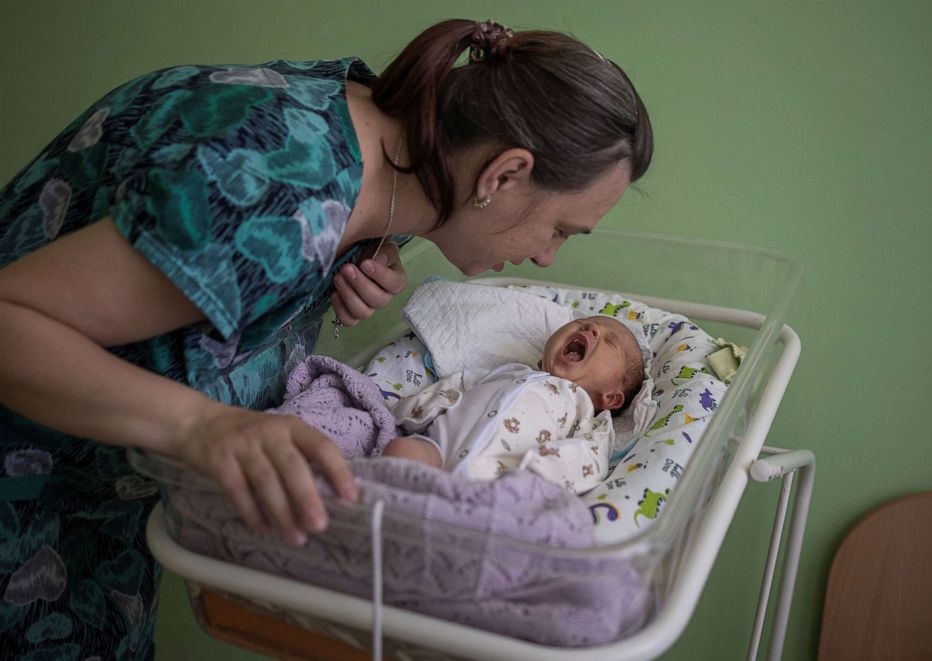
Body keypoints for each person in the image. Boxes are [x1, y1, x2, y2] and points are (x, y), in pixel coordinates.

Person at [0, 17, 652, 658]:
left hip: (104, 511)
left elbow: (216, 268)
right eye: (563, 230)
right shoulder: (275, 193)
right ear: (504, 174)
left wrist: (343, 266)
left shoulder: (392, 153)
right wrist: (201, 425)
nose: (548, 258)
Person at [382, 315, 647, 495]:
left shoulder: (585, 413)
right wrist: (408, 410)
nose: (591, 329)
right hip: (438, 449)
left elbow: (589, 459)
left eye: (610, 341)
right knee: (400, 449)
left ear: (611, 398)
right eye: (581, 324)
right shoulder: (510, 372)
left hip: (497, 480)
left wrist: (537, 471)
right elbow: (457, 386)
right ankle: (389, 513)